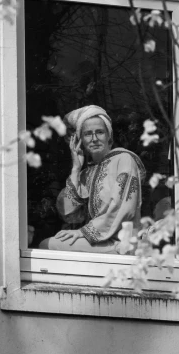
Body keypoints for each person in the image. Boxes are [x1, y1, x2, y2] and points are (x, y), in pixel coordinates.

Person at [39, 105, 146, 253]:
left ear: (109, 136)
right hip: (99, 242)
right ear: (80, 140)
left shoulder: (124, 159)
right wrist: (76, 169)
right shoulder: (87, 173)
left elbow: (123, 207)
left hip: (122, 243)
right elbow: (69, 215)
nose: (94, 139)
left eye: (100, 132)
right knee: (48, 244)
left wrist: (82, 232)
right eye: (88, 134)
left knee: (48, 246)